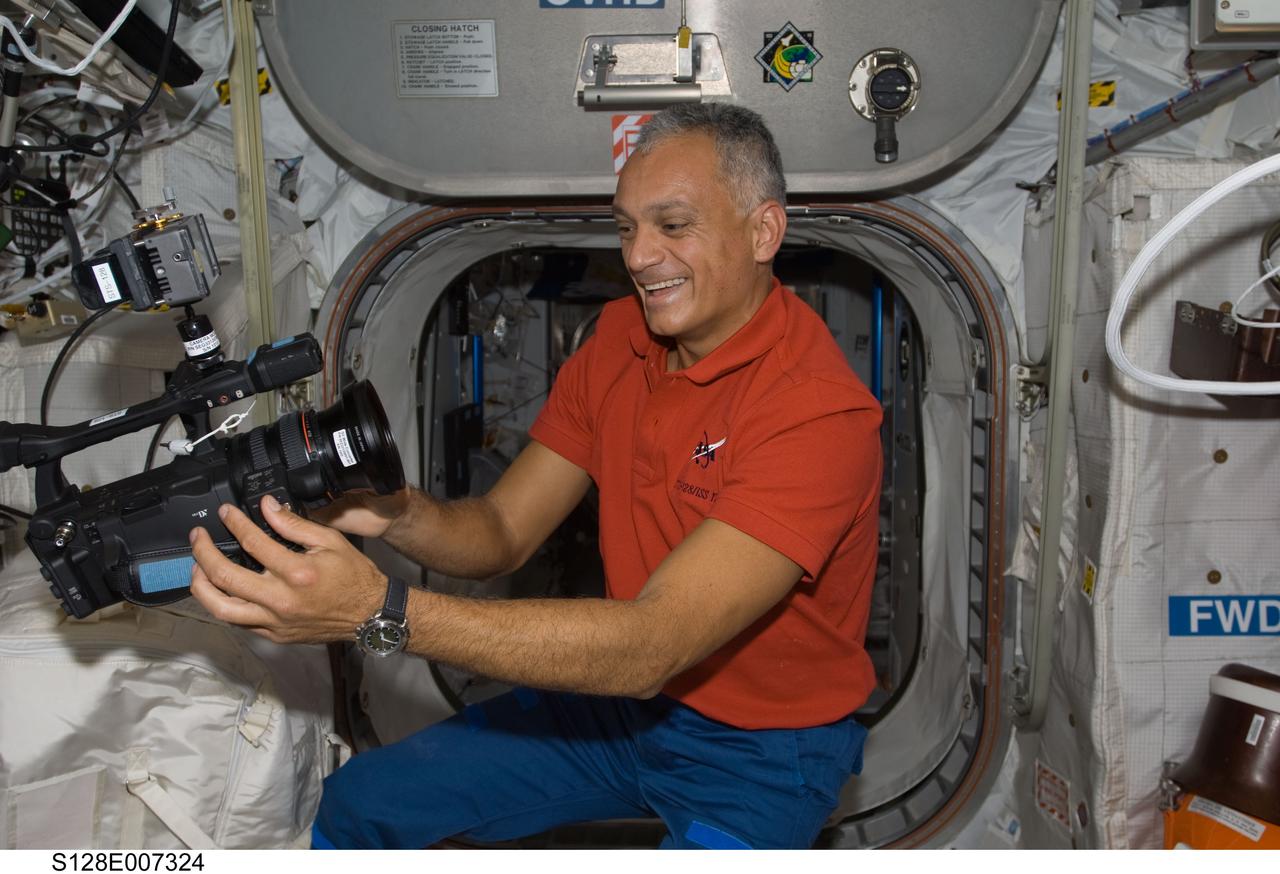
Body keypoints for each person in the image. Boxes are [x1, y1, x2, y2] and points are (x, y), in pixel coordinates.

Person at [188, 103, 883, 850]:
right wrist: (395, 514)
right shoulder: (620, 339)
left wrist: (377, 609)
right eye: (626, 228)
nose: (641, 256)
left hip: (763, 750)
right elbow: (502, 532)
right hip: (624, 710)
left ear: (763, 232)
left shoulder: (817, 413)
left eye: (673, 225)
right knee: (359, 807)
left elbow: (654, 642)